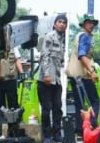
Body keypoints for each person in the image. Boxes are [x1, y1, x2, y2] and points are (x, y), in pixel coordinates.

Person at [37, 13, 68, 143]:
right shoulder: (50, 36)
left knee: (57, 107)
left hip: (57, 80)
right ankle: (47, 135)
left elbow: (60, 61)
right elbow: (45, 56)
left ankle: (57, 134)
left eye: (64, 22)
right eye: (59, 21)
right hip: (46, 80)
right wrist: (47, 75)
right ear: (55, 24)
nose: (62, 24)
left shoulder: (63, 40)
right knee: (46, 109)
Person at [69, 15, 100, 136]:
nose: (91, 25)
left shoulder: (79, 36)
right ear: (84, 24)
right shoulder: (84, 37)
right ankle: (91, 125)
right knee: (94, 101)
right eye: (89, 23)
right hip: (82, 76)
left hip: (75, 75)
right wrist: (92, 72)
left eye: (93, 23)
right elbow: (82, 55)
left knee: (80, 104)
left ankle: (80, 130)